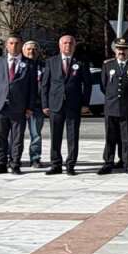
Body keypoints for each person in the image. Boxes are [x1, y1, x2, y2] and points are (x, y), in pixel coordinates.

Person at [0, 35, 40, 175]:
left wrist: (30, 107)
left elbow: (32, 88)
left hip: (19, 107)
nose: (14, 46)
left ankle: (15, 163)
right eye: (11, 43)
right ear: (6, 45)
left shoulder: (29, 64)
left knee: (17, 138)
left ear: (21, 45)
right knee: (0, 137)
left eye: (17, 43)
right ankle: (1, 163)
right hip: (0, 106)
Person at [40, 34, 94, 175]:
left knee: (73, 136)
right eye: (64, 43)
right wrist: (45, 104)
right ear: (59, 45)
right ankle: (56, 164)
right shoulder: (51, 62)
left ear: (74, 45)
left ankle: (70, 165)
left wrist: (85, 103)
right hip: (55, 105)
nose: (67, 46)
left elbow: (87, 84)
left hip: (73, 105)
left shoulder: (81, 62)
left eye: (70, 43)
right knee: (55, 136)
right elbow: (45, 85)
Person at [101, 38, 128, 175]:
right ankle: (108, 162)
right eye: (119, 49)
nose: (121, 52)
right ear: (115, 50)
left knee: (127, 137)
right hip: (111, 106)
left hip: (127, 107)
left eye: (124, 49)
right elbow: (104, 85)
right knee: (110, 137)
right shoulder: (108, 66)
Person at [21, 41, 46, 168]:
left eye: (35, 49)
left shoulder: (44, 66)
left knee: (36, 134)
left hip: (37, 105)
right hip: (20, 105)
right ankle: (13, 157)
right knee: (15, 134)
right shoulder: (19, 65)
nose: (32, 51)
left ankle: (35, 158)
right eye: (29, 49)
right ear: (24, 50)